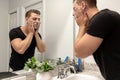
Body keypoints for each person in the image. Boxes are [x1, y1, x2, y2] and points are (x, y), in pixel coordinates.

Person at [73, 0, 120, 80]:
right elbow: (88, 50)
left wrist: (82, 26)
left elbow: (79, 52)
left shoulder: (102, 19)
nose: (73, 14)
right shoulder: (104, 18)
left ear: (83, 5)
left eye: (74, 9)